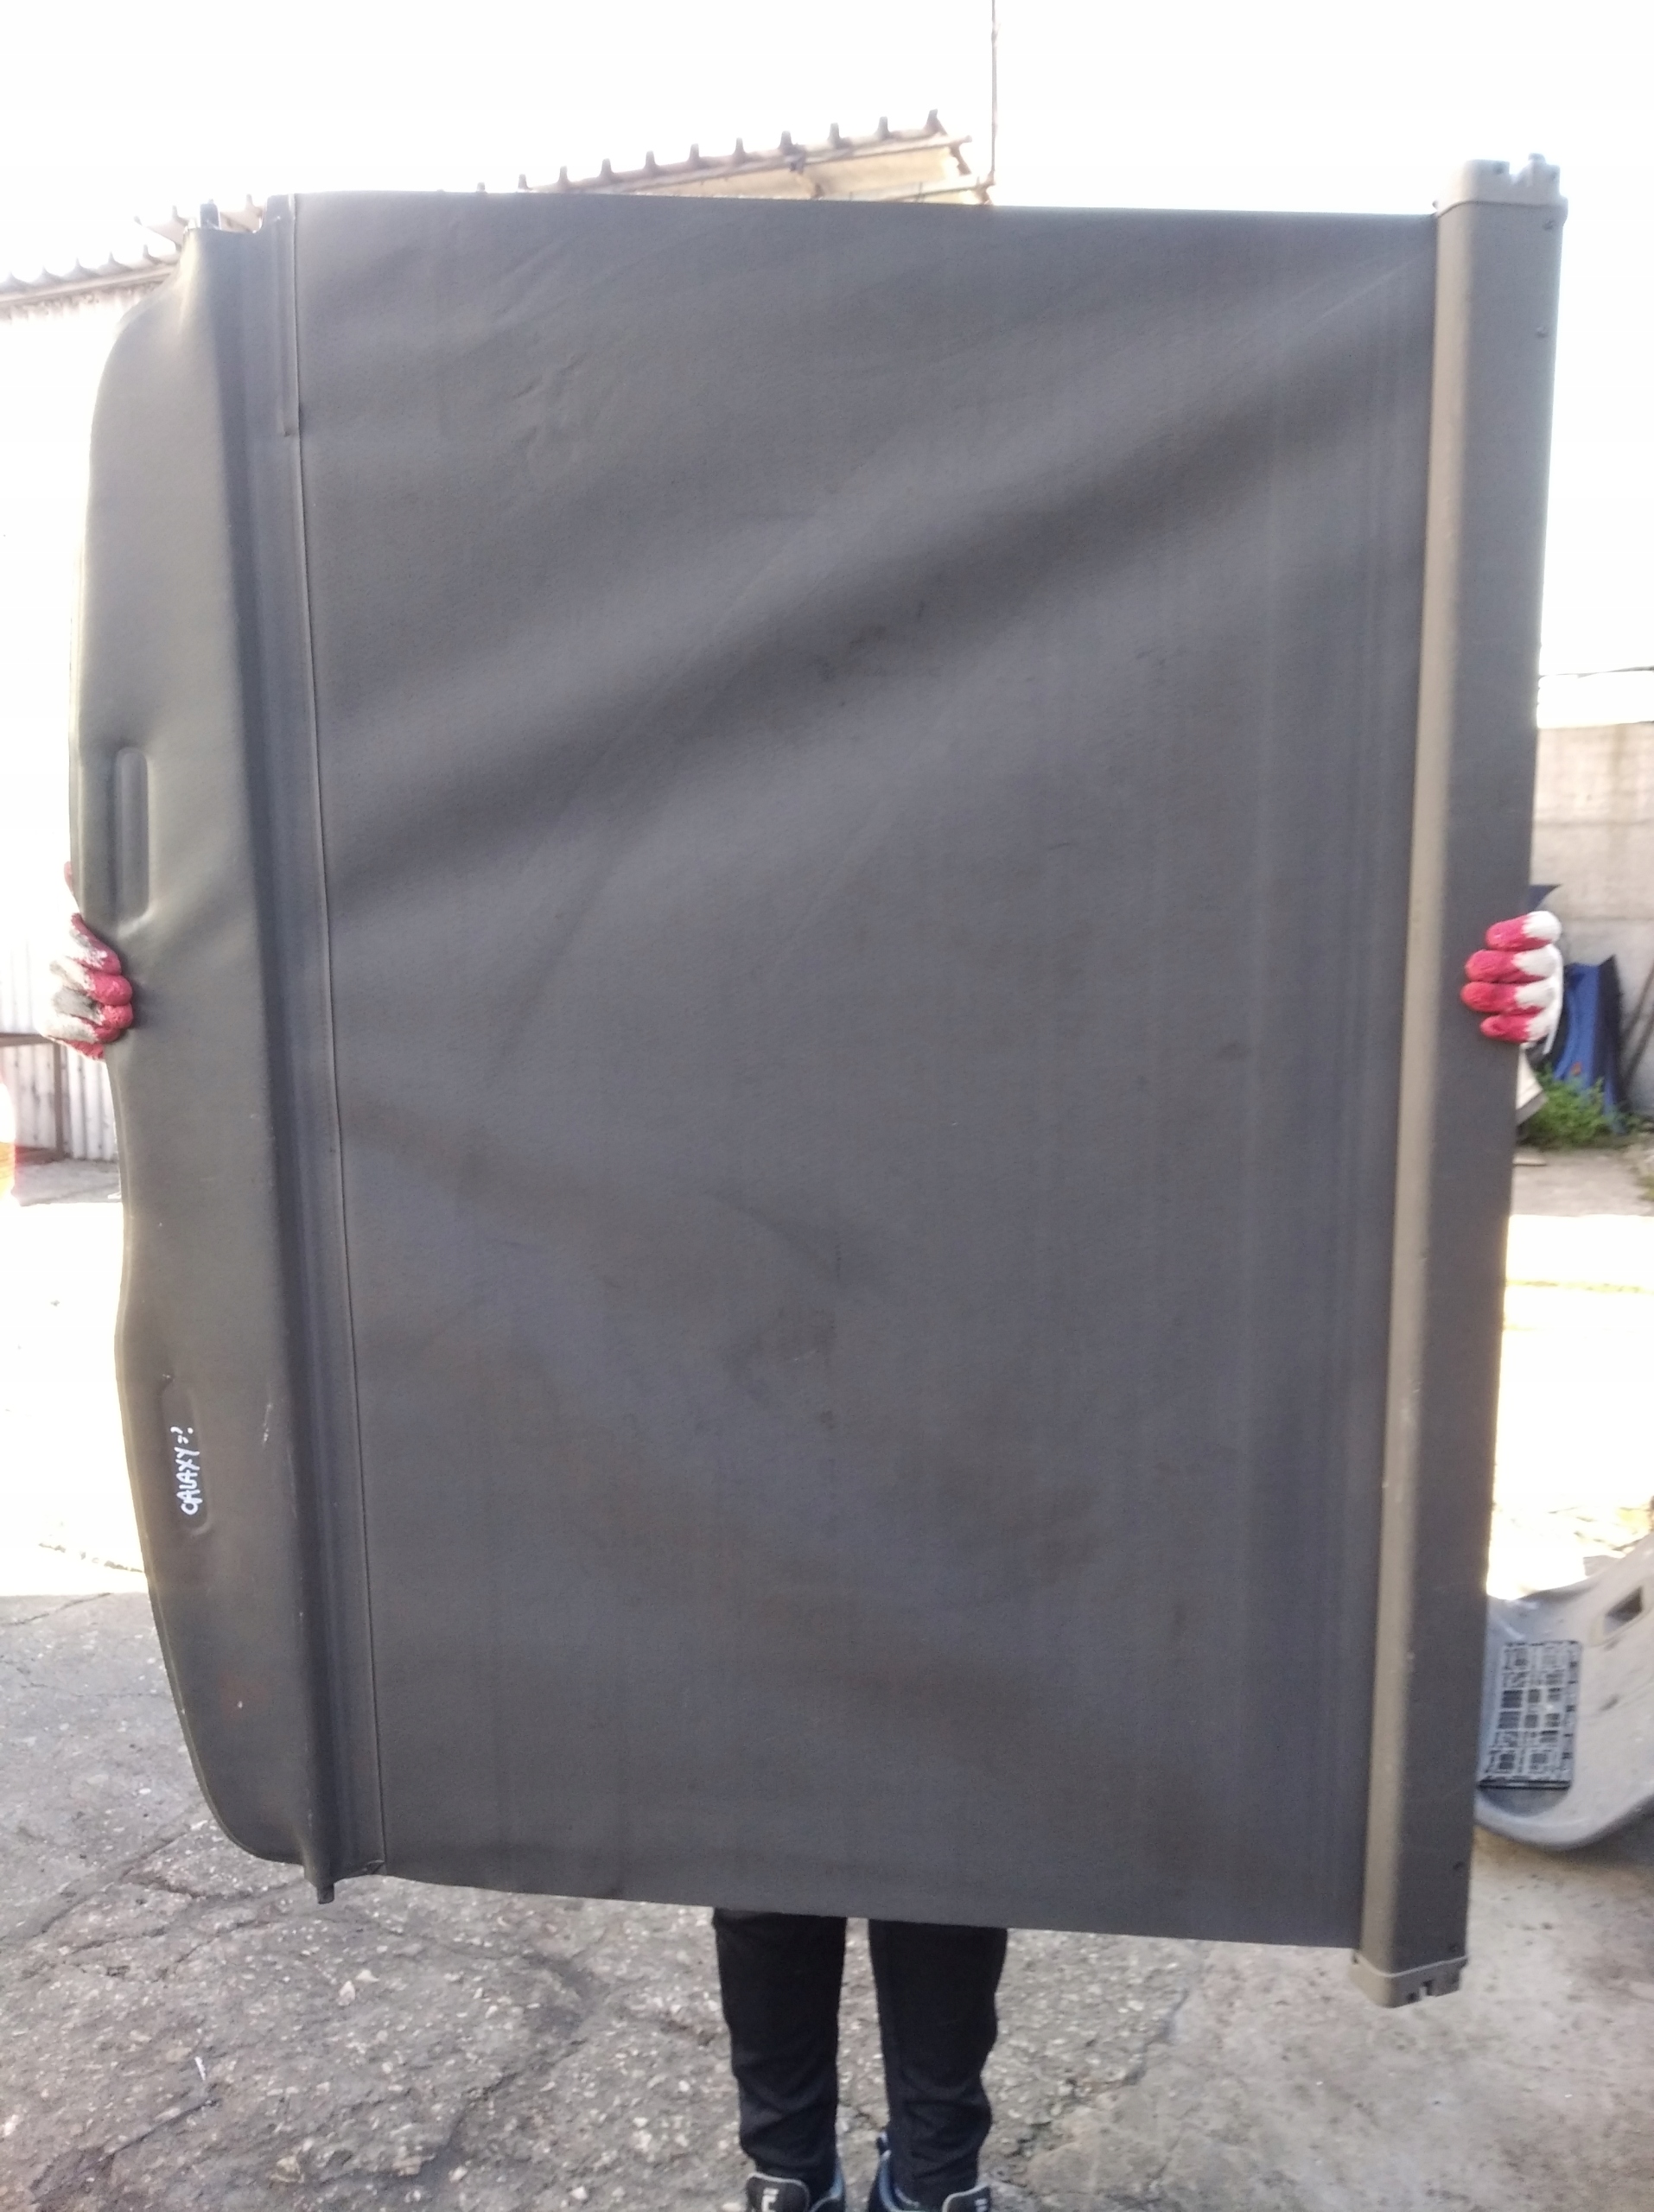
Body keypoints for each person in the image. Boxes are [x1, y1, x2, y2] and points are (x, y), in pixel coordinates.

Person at [42, 897, 1564, 2212]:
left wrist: (1474, 1045)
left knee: (945, 1829)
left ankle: (934, 2173)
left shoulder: (1043, 923)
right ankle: (789, 2173)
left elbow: (1238, 1085)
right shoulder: (675, 921)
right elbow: (437, 1027)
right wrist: (176, 1021)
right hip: (735, 1430)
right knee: (765, 1820)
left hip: (972, 1436)